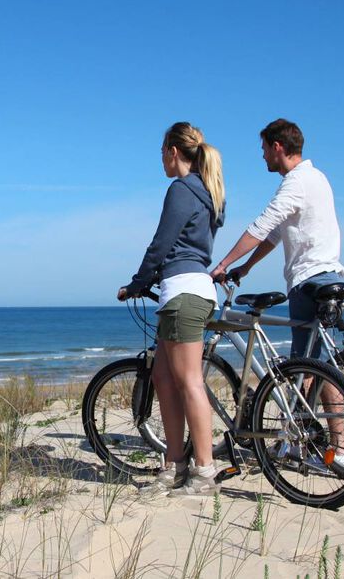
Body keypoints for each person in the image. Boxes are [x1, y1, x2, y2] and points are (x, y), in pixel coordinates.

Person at [210, 118, 344, 469]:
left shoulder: (296, 182)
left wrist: (224, 263)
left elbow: (261, 227)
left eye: (263, 150)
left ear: (278, 147)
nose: (262, 157)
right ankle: (322, 447)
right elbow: (276, 235)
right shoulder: (317, 178)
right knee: (316, 366)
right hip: (326, 275)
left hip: (310, 281)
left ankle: (337, 448)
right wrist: (246, 268)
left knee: (308, 368)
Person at [117, 122, 225, 496]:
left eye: (162, 151)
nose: (160, 159)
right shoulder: (206, 189)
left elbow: (161, 244)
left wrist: (136, 282)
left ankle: (205, 472)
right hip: (182, 292)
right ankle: (174, 464)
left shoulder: (182, 189)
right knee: (163, 378)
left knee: (189, 381)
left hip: (184, 293)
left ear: (173, 152)